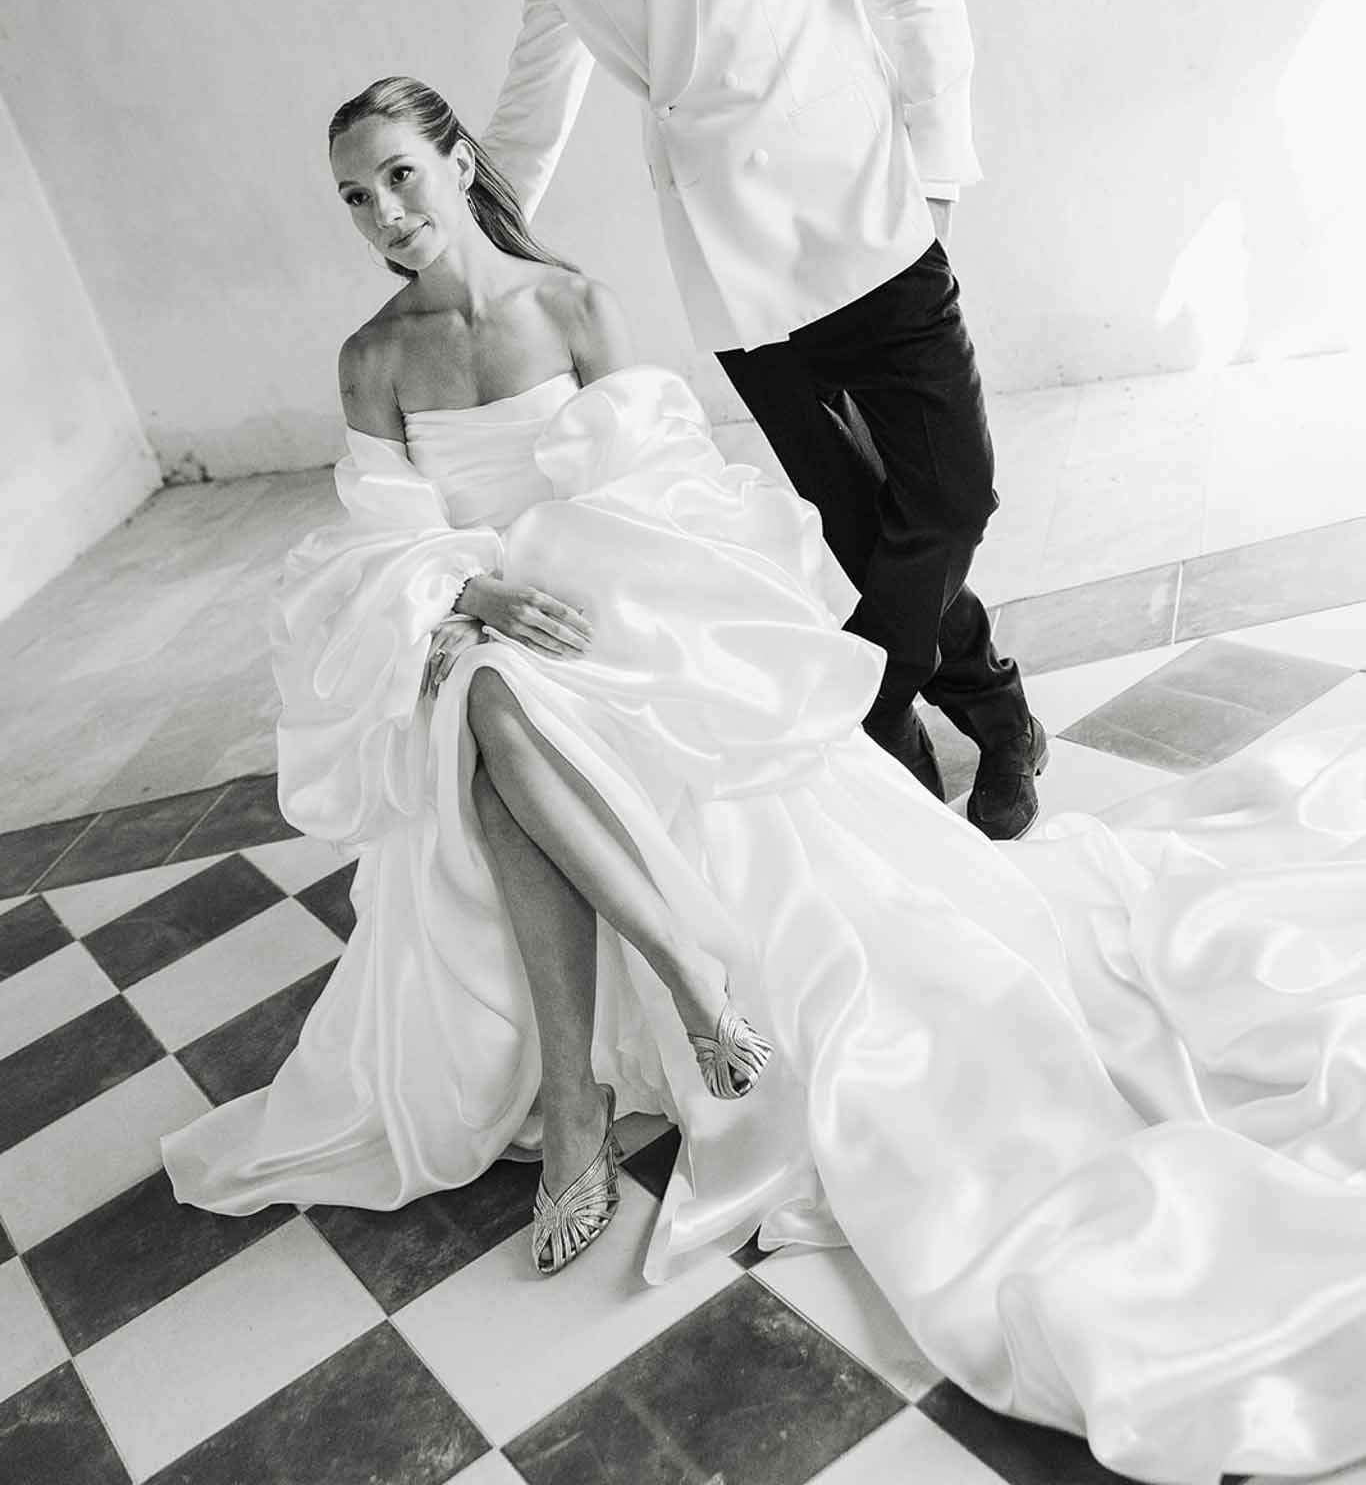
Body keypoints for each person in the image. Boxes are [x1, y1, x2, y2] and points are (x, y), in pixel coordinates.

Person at [163, 78, 1366, 1485]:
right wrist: (469, 587)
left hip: (613, 619)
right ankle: (684, 976)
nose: (382, 218)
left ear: (457, 162)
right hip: (484, 638)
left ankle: (575, 1113)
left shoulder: (566, 304)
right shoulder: (372, 359)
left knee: (502, 726)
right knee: (486, 700)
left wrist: (551, 579)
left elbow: (671, 485)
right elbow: (374, 549)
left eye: (399, 179)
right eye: (355, 197)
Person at [475, 0, 1044, 835]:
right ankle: (996, 715)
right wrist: (473, 236)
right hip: (735, 282)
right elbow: (531, 107)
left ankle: (866, 706)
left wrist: (932, 181)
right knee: (865, 528)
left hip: (869, 233)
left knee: (949, 500)